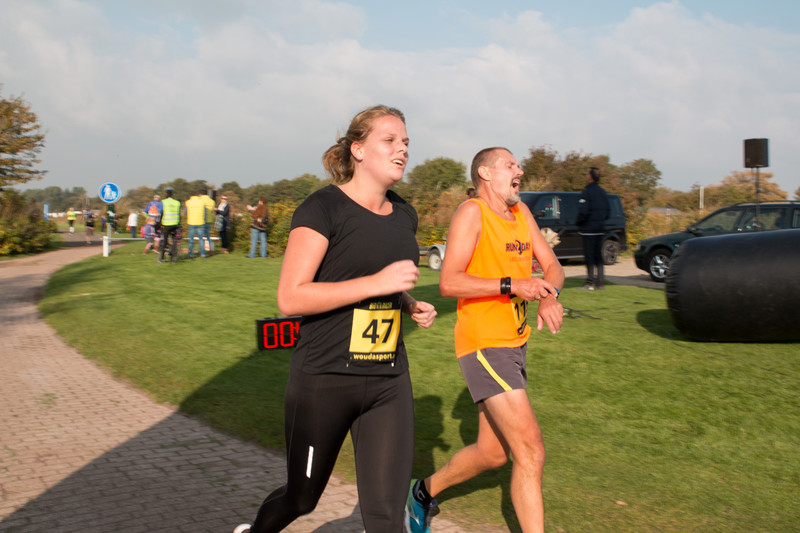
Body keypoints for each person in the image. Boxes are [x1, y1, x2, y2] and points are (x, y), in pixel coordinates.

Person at [235, 105, 437, 533]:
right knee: (302, 498)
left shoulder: (405, 214)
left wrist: (407, 303)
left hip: (388, 379)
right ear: (358, 149)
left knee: (386, 515)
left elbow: (376, 278)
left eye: (406, 142)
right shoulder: (322, 208)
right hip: (325, 378)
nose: (402, 149)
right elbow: (291, 296)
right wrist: (377, 282)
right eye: (390, 140)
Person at [405, 147, 564, 533]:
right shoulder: (471, 213)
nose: (520, 170)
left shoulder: (520, 213)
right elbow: (449, 282)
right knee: (531, 451)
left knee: (492, 454)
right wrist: (513, 284)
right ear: (486, 174)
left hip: (515, 341)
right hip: (484, 343)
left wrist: (549, 296)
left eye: (518, 165)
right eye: (510, 165)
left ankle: (421, 493)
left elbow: (553, 266)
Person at [576, 167, 610, 290]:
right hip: (600, 229)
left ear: (590, 177)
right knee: (598, 256)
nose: (586, 176)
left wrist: (579, 223)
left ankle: (590, 282)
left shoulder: (587, 192)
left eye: (587, 174)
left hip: (589, 229)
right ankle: (600, 283)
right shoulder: (603, 192)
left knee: (589, 256)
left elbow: (583, 212)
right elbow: (608, 212)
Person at [157, 188, 181, 263]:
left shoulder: (163, 202)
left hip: (167, 224)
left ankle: (162, 258)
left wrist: (159, 224)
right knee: (174, 239)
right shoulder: (177, 202)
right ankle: (173, 256)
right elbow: (179, 213)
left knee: (165, 240)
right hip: (175, 223)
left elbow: (160, 213)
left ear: (165, 194)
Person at [185, 191, 207, 259]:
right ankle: (203, 254)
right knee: (201, 239)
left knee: (191, 239)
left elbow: (185, 212)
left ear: (190, 196)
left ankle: (191, 254)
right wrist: (203, 219)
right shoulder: (202, 202)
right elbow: (205, 213)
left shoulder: (188, 202)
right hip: (200, 222)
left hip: (191, 222)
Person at [201, 188, 216, 254]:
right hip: (209, 220)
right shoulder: (212, 201)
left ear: (201, 194)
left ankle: (202, 251)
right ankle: (211, 250)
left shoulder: (200, 200)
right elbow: (212, 210)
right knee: (208, 236)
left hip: (202, 220)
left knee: (201, 237)